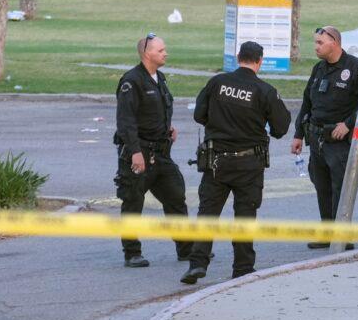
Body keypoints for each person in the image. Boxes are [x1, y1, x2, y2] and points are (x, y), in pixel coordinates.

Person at [183, 41, 292, 284]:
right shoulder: (265, 90)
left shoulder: (217, 83)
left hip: (216, 162)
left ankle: (197, 264)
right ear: (260, 61)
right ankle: (242, 268)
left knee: (207, 213)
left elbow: (199, 114)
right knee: (245, 215)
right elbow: (281, 127)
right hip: (249, 163)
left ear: (237, 57)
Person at [113, 33, 190, 268]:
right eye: (160, 51)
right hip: (140, 153)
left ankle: (187, 249)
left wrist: (168, 128)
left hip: (161, 153)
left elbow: (157, 109)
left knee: (176, 197)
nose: (165, 53)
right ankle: (132, 253)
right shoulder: (131, 81)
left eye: (164, 49)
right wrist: (135, 152)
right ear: (147, 54)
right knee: (133, 202)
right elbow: (126, 121)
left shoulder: (160, 78)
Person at [292, 26, 358, 249]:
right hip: (316, 137)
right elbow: (307, 102)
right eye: (315, 42)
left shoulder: (355, 68)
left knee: (339, 187)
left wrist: (348, 124)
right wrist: (298, 134)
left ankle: (341, 235)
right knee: (322, 186)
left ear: (334, 42)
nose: (315, 47)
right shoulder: (319, 69)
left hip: (338, 141)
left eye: (320, 43)